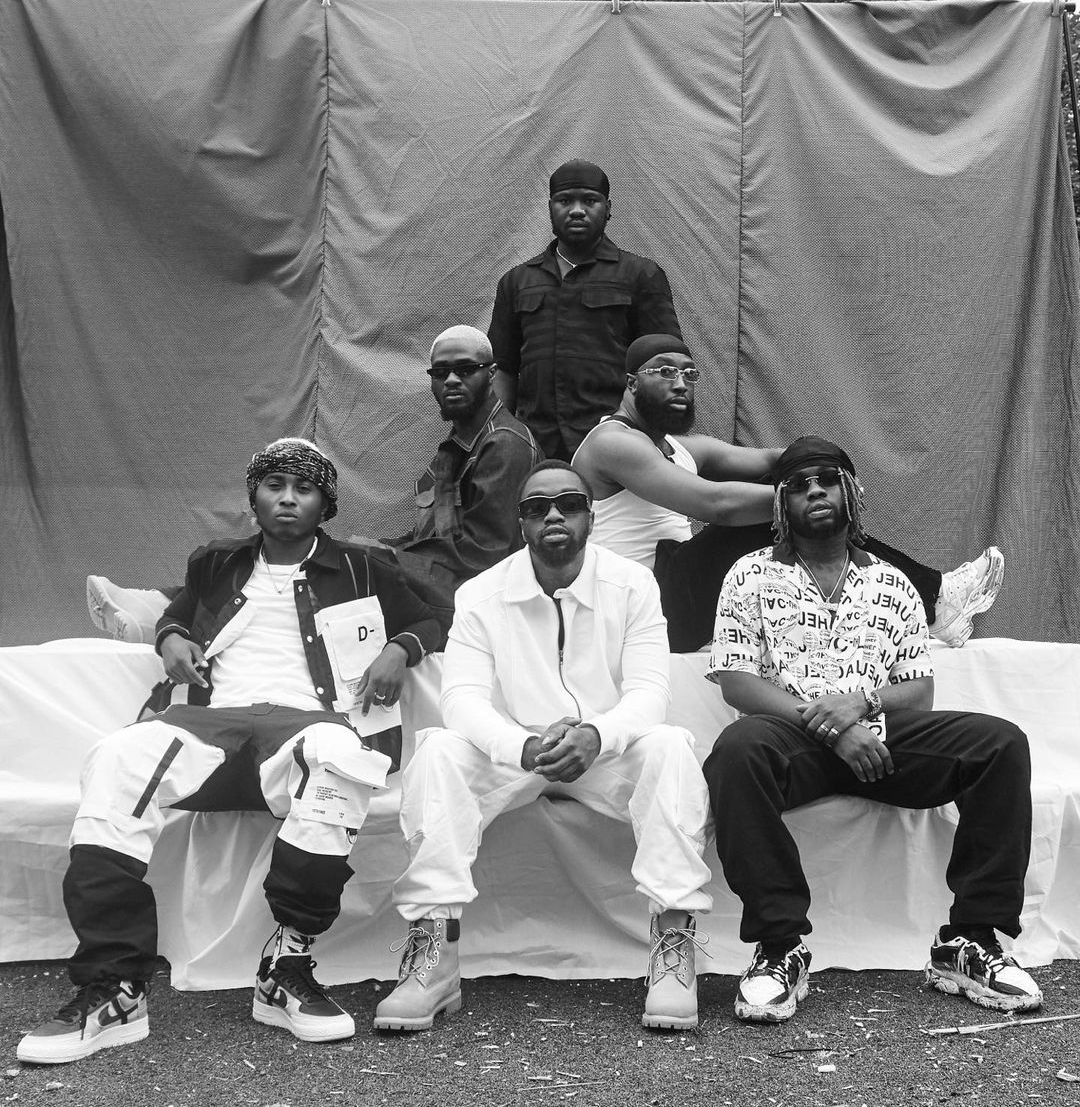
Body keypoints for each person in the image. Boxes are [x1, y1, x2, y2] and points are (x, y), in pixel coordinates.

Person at [17, 439, 443, 1064]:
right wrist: (168, 636)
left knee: (341, 760)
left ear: (326, 504)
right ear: (254, 498)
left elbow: (434, 618)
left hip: (306, 726)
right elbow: (182, 614)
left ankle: (285, 968)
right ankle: (115, 988)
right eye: (275, 486)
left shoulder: (363, 567)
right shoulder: (217, 561)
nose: (288, 498)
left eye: (304, 488)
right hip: (212, 724)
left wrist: (400, 648)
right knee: (116, 758)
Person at [703, 436, 1041, 1024]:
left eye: (827, 480)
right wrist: (832, 730)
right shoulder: (749, 575)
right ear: (781, 503)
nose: (815, 492)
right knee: (737, 749)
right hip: (792, 744)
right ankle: (780, 948)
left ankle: (972, 940)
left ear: (852, 493)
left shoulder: (892, 582)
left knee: (1000, 744)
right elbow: (736, 681)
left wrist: (861, 704)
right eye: (799, 485)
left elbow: (918, 690)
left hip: (879, 743)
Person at [372, 461, 713, 1033]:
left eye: (569, 504)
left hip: (604, 753)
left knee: (671, 747)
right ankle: (434, 958)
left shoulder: (633, 584)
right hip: (518, 755)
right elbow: (461, 699)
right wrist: (523, 746)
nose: (554, 515)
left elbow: (650, 692)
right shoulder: (481, 593)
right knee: (437, 751)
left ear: (591, 517)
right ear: (521, 523)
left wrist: (596, 735)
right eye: (537, 507)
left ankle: (673, 948)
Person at [85, 326, 541, 644]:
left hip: (468, 599)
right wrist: (388, 548)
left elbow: (485, 556)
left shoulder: (504, 446)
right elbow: (434, 537)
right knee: (308, 560)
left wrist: (385, 558)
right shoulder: (458, 447)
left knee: (326, 565)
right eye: (440, 373)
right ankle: (165, 607)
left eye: (465, 369)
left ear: (491, 373)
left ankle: (161, 611)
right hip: (439, 581)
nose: (452, 380)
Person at [572, 335, 1004, 652]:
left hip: (675, 598)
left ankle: (897, 609)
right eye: (665, 371)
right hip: (642, 609)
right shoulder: (613, 443)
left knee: (801, 481)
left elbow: (776, 458)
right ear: (631, 383)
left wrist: (827, 471)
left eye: (689, 373)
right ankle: (936, 599)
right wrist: (819, 495)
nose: (681, 383)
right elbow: (715, 505)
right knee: (788, 503)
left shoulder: (683, 448)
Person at [488, 160, 682, 462]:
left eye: (590, 201)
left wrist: (655, 442)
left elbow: (666, 366)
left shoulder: (640, 275)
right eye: (565, 201)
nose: (577, 210)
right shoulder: (517, 282)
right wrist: (498, 438)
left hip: (618, 443)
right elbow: (503, 369)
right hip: (536, 444)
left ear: (608, 208)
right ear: (550, 208)